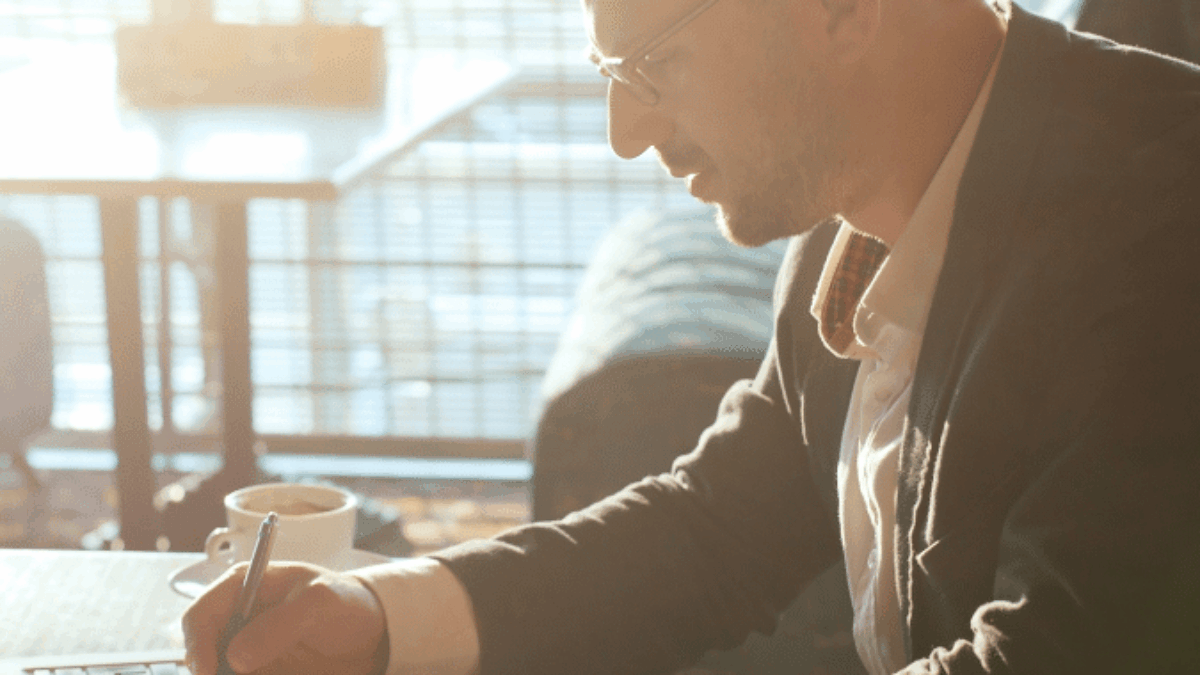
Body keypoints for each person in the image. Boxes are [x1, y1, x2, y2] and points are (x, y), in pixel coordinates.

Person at [182, 0, 1200, 672]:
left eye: (651, 62)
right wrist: (380, 616)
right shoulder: (848, 229)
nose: (624, 131)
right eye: (606, 70)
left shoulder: (1164, 225)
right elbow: (715, 526)